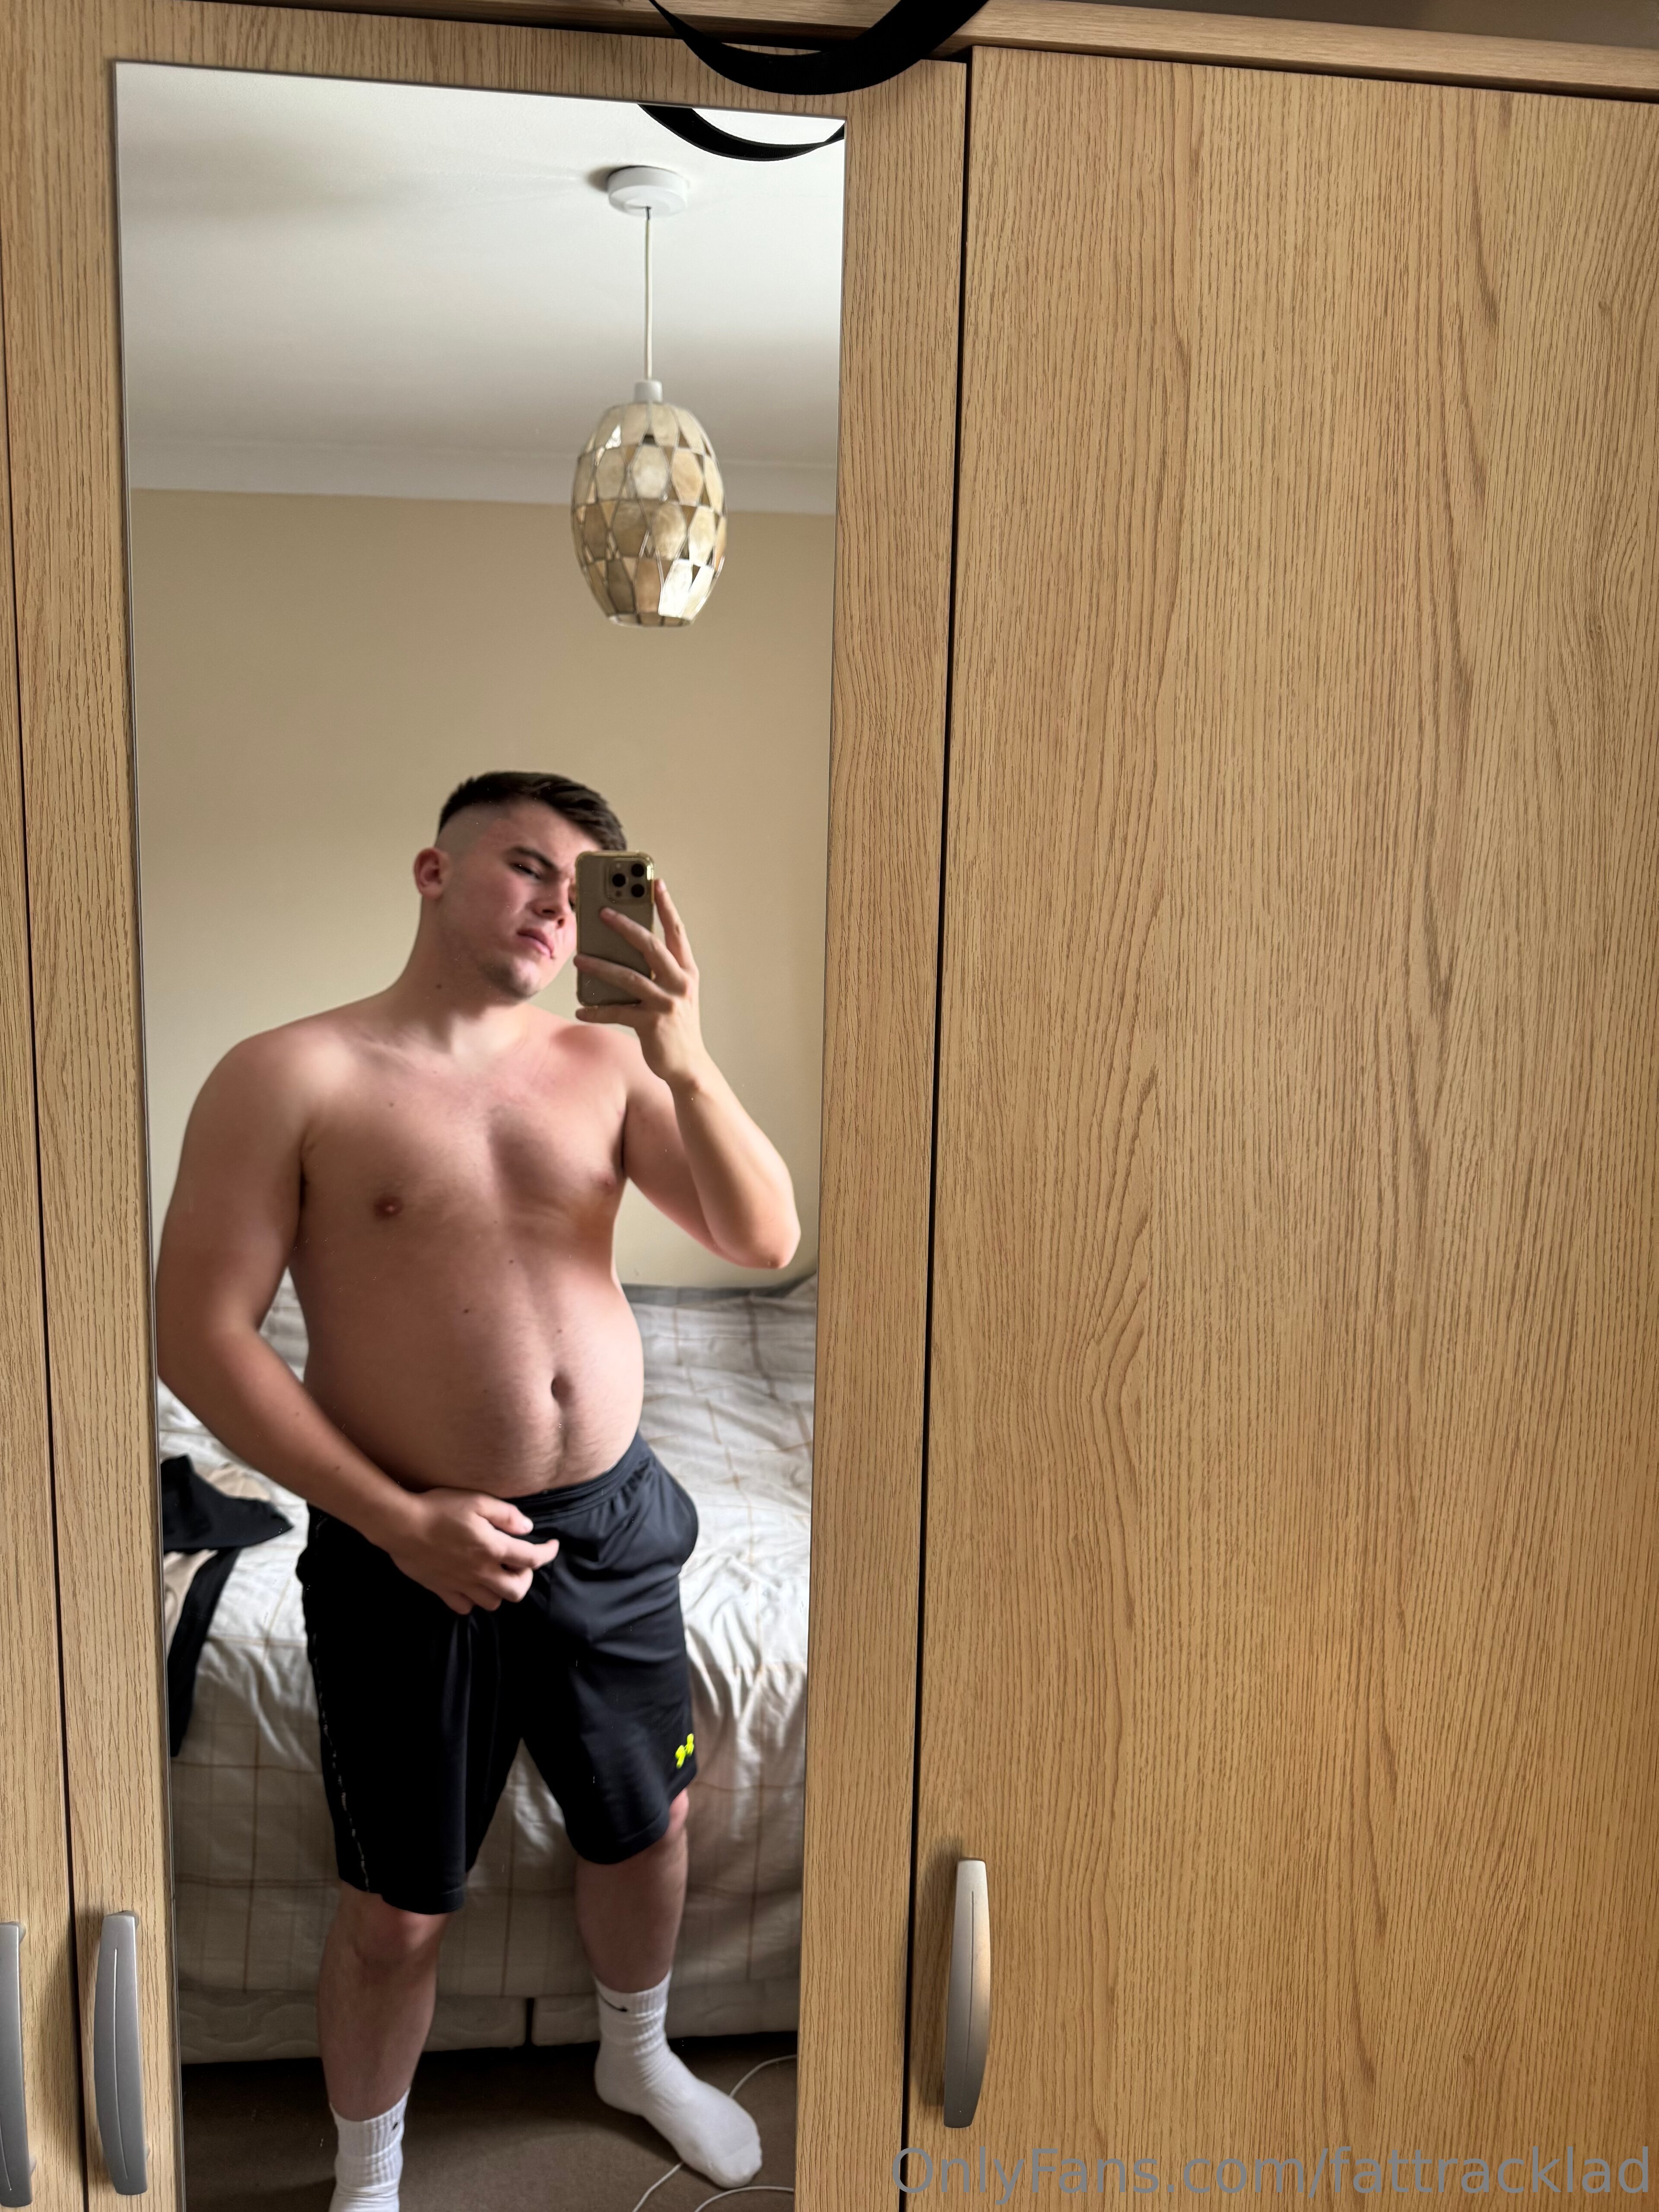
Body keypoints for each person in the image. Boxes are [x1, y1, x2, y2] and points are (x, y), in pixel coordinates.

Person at [154, 769, 801, 2210]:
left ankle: (637, 2054)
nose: (558, 908)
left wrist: (685, 1054)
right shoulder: (291, 1075)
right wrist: (399, 1523)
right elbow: (197, 1337)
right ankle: (368, 2173)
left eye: (585, 890)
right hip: (404, 1544)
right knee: (397, 1911)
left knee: (647, 1826)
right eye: (526, 867)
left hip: (610, 1526)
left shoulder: (611, 1068)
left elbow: (765, 1238)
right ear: (433, 873)